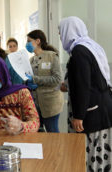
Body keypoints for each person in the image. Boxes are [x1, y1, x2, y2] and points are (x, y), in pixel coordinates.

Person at [59, 16, 112, 171]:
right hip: (102, 107)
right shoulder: (90, 46)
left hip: (92, 112)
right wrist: (68, 85)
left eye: (61, 31)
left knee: (91, 153)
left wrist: (79, 116)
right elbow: (93, 78)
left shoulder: (79, 51)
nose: (60, 35)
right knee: (101, 150)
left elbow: (83, 85)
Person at [25, 29, 64, 133]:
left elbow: (57, 79)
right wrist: (27, 83)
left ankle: (56, 150)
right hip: (35, 103)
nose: (27, 44)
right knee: (38, 133)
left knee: (52, 132)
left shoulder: (51, 56)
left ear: (37, 41)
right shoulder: (31, 60)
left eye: (29, 41)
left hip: (50, 103)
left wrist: (35, 80)